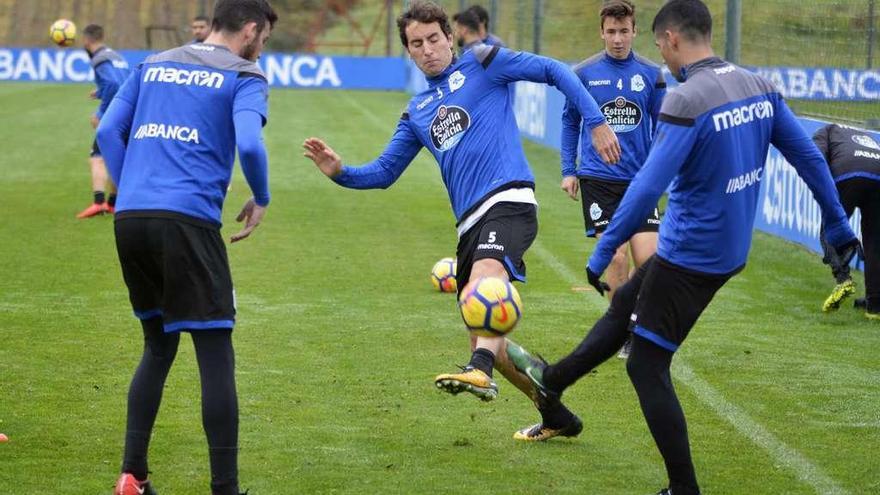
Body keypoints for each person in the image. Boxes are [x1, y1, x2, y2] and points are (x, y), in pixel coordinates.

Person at [507, 1, 860, 493]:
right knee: (626, 302)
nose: (662, 58)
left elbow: (648, 188)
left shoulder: (687, 98)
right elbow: (808, 158)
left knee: (646, 364)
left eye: (657, 44)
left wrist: (601, 248)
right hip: (729, 249)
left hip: (691, 254)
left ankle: (682, 488)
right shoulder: (759, 84)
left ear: (671, 39)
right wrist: (839, 227)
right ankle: (554, 381)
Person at [302, 0, 620, 441]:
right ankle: (556, 415)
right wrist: (340, 172)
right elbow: (384, 173)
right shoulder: (416, 112)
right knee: (492, 340)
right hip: (468, 225)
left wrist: (597, 120)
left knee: (487, 291)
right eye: (417, 43)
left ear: (450, 38)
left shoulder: (485, 62)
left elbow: (555, 71)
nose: (428, 48)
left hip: (509, 200)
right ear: (409, 52)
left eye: (434, 38)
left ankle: (477, 370)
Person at [95, 0, 277, 493]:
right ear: (252, 30)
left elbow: (109, 129)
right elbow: (252, 145)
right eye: (263, 41)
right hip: (188, 221)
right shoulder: (244, 75)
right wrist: (260, 196)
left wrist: (132, 182)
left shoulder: (152, 64)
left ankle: (133, 475)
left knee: (157, 345)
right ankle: (226, 488)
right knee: (215, 350)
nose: (262, 51)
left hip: (131, 218)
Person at [561, 0, 665, 358]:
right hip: (599, 179)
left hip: (641, 183)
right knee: (617, 258)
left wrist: (663, 170)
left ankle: (640, 325)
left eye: (624, 31)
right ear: (601, 32)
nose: (618, 39)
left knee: (649, 263)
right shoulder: (584, 73)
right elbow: (569, 122)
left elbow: (664, 128)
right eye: (611, 32)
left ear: (635, 31)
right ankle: (621, 331)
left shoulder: (653, 74)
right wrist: (567, 170)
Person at [813, 123, 879, 318]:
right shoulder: (865, 134)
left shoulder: (824, 131)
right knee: (875, 242)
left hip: (847, 174)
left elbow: (814, 159)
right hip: (878, 177)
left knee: (828, 230)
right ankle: (875, 307)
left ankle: (843, 279)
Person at [77, 24, 129, 219]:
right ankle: (114, 204)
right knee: (117, 155)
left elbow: (113, 84)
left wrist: (100, 112)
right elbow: (123, 83)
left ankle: (99, 203)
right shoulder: (116, 56)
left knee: (97, 157)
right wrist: (100, 92)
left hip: (113, 115)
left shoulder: (99, 58)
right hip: (126, 113)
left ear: (87, 39)